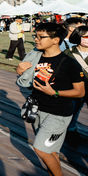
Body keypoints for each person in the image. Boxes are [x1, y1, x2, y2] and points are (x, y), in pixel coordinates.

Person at [16, 22, 84, 176]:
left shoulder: (69, 63)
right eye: (36, 36)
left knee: (40, 148)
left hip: (58, 114)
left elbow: (79, 92)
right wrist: (20, 70)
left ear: (55, 40)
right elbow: (26, 80)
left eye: (41, 37)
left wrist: (54, 92)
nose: (36, 40)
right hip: (38, 111)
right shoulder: (35, 58)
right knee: (51, 152)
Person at [64, 26, 88, 143]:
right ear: (78, 37)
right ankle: (71, 131)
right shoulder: (68, 53)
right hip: (75, 88)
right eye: (85, 37)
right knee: (73, 110)